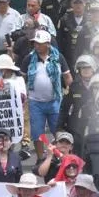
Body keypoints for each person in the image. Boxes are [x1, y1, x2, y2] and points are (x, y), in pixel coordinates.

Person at [20, 30, 72, 159]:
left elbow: (68, 77)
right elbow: (21, 79)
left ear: (48, 44)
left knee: (58, 132)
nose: (37, 46)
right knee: (37, 133)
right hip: (35, 102)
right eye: (35, 43)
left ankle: (62, 157)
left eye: (40, 43)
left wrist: (69, 93)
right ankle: (40, 159)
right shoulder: (29, 59)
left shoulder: (58, 57)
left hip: (55, 101)